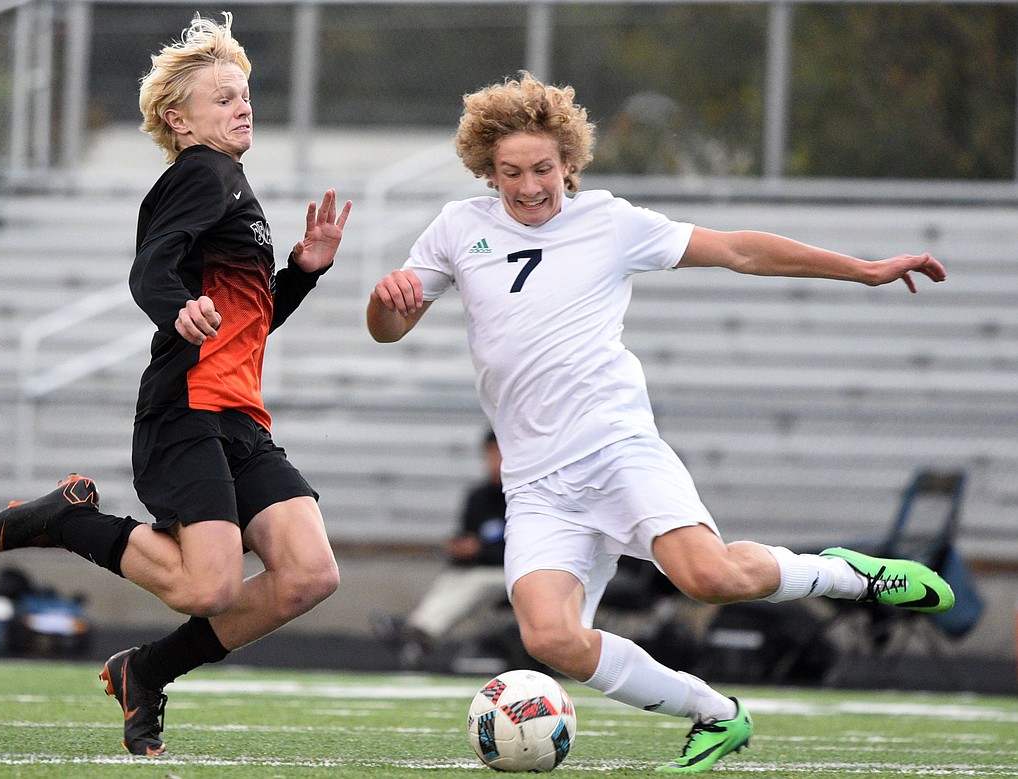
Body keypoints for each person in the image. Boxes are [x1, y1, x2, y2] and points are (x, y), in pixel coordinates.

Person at [366, 72, 954, 774]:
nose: (528, 187)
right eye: (511, 173)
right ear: (487, 172)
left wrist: (863, 269)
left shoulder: (610, 222)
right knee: (550, 637)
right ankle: (714, 713)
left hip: (617, 449)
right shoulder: (458, 228)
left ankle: (848, 575)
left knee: (708, 576)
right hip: (537, 485)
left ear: (569, 162)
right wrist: (387, 301)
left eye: (543, 169)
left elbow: (739, 249)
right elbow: (388, 331)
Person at [0, 12, 350, 757]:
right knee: (206, 586)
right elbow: (150, 267)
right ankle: (71, 520)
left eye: (244, 94)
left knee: (309, 574)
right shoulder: (199, 174)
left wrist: (302, 274)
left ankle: (144, 669)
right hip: (188, 407)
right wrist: (174, 306)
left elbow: (247, 319)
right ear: (179, 121)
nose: (242, 105)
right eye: (223, 98)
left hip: (239, 414)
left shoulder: (230, 184)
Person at [375, 429, 507, 670]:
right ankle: (418, 630)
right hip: (481, 570)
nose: (494, 462)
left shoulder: (525, 497)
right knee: (453, 578)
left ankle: (418, 629)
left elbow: (525, 550)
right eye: (490, 455)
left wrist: (481, 550)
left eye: (500, 454)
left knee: (475, 581)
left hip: (517, 574)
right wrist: (460, 548)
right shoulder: (479, 498)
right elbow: (469, 536)